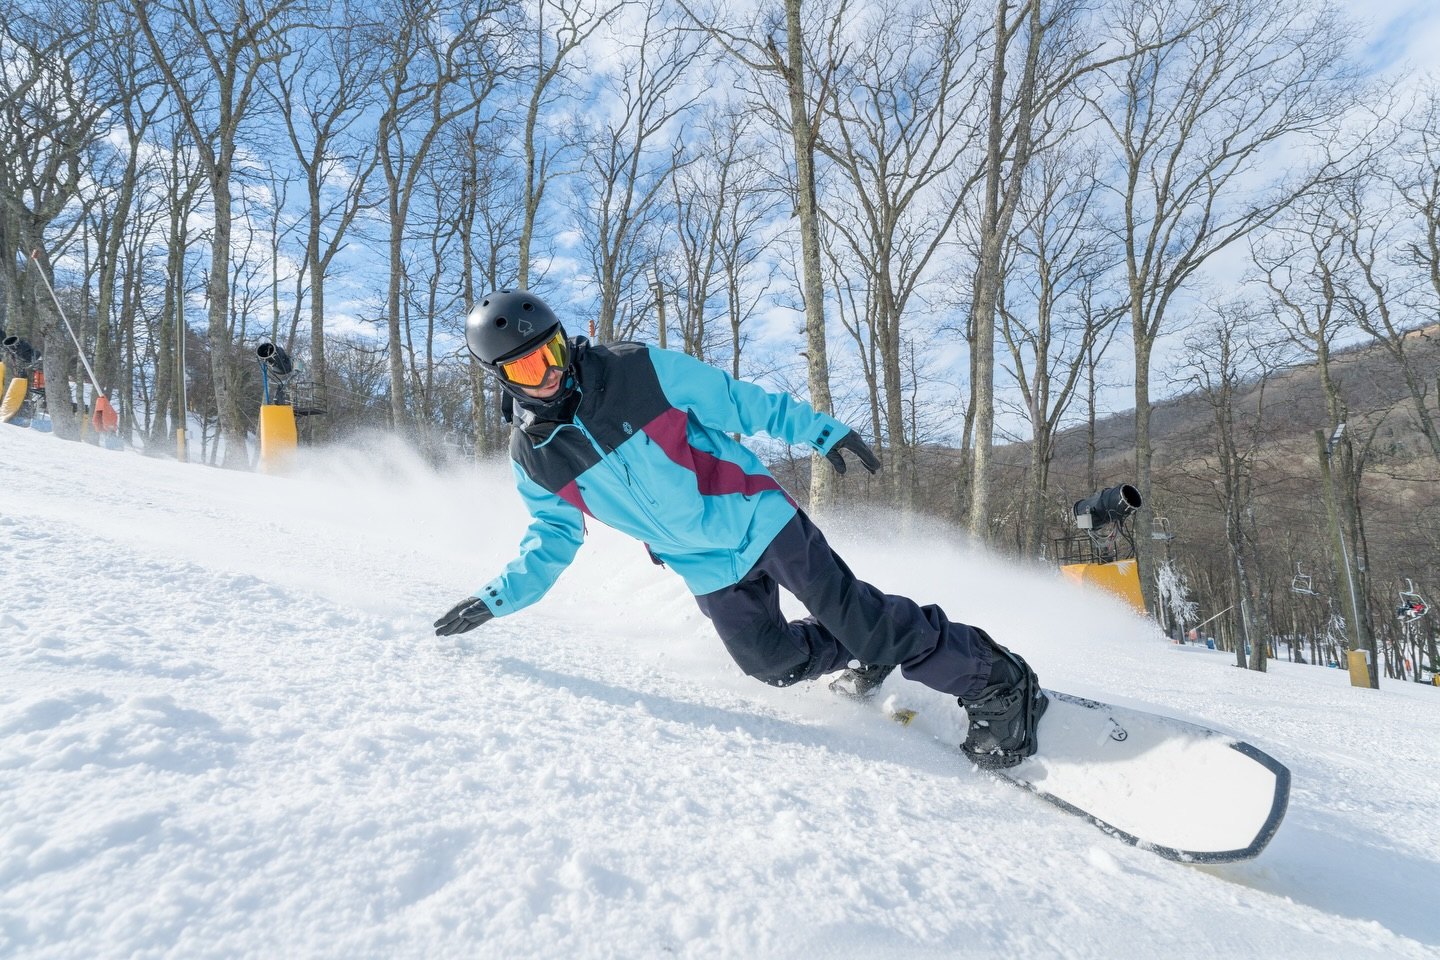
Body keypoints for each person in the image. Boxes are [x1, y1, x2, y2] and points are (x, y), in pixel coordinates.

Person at [433, 289, 1047, 767]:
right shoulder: (535, 458)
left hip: (755, 515)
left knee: (856, 615)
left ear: (566, 342)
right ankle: (867, 644)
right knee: (771, 663)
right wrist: (497, 599)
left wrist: (818, 429)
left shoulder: (634, 370)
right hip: (702, 564)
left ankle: (998, 681)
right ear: (502, 380)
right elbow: (551, 538)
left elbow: (736, 400)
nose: (546, 374)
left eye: (552, 353)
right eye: (524, 369)